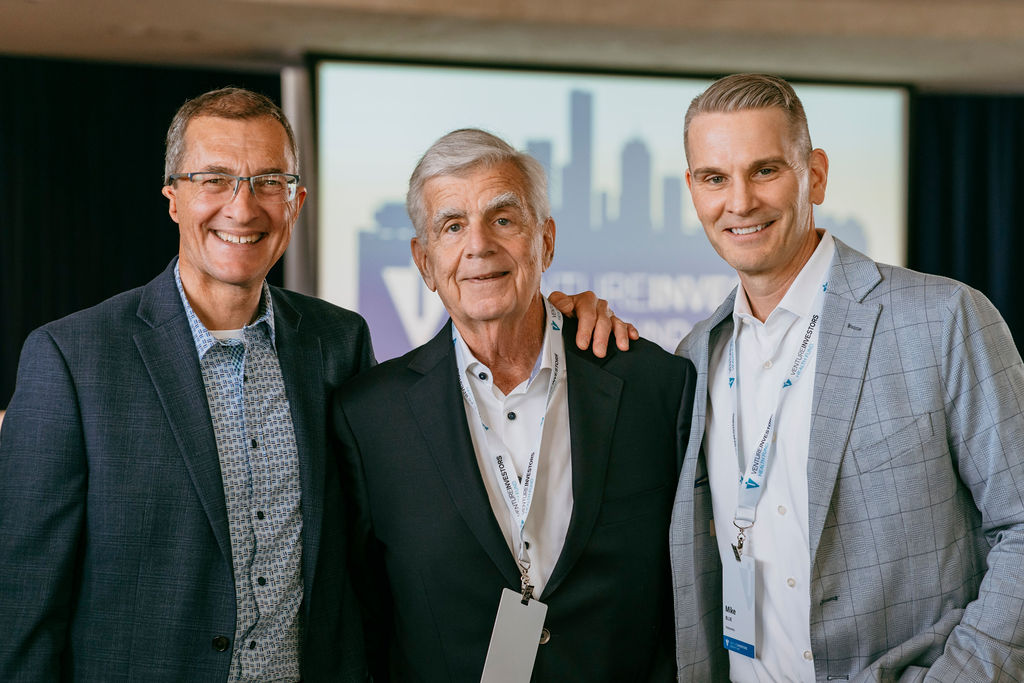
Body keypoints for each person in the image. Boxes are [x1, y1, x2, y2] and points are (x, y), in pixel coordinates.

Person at [0, 87, 375, 681]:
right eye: (213, 179)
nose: (242, 207)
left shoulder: (339, 344)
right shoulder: (70, 359)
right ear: (173, 199)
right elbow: (23, 602)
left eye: (267, 181)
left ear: (296, 202)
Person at [668, 74, 1024, 680]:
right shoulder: (695, 356)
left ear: (816, 175)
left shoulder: (943, 320)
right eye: (714, 178)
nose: (740, 202)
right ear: (693, 191)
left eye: (765, 170)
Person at [333, 128, 696, 681]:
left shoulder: (656, 385)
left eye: (503, 219)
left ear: (545, 241)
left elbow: (685, 593)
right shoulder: (370, 419)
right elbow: (361, 622)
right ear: (425, 261)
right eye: (452, 226)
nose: (479, 245)